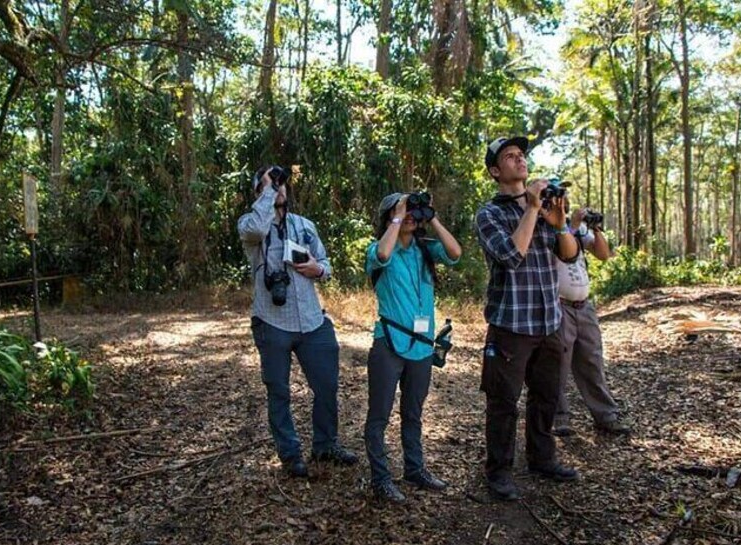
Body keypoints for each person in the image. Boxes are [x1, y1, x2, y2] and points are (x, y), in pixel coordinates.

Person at [475, 136, 581, 501]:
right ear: (495, 171)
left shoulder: (546, 208)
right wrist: (532, 210)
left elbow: (568, 255)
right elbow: (510, 255)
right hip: (511, 326)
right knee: (504, 401)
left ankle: (542, 458)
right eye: (510, 156)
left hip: (549, 321)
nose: (519, 160)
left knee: (546, 395)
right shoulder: (489, 214)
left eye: (521, 155)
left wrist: (561, 222)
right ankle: (499, 472)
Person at [238, 165, 358, 478]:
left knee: (327, 386)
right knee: (279, 391)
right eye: (269, 185)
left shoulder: (305, 226)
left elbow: (327, 265)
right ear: (259, 192)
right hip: (271, 321)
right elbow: (253, 230)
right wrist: (266, 191)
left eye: (281, 184)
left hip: (312, 320)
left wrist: (318, 269)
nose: (279, 189)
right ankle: (290, 455)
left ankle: (325, 444)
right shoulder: (252, 226)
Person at [364, 191, 462, 504]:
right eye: (399, 209)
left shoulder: (425, 250)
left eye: (410, 210)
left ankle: (414, 469)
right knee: (379, 415)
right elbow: (382, 255)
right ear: (387, 216)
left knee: (413, 413)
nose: (407, 214)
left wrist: (431, 217)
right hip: (389, 344)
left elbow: (455, 253)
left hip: (421, 347)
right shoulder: (379, 249)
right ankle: (380, 478)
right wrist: (398, 215)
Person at [553, 207, 631, 437]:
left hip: (584, 306)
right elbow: (565, 251)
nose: (563, 201)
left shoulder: (577, 227)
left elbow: (604, 255)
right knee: (558, 363)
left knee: (592, 359)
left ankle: (605, 416)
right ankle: (559, 419)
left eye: (565, 197)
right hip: (560, 305)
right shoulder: (548, 227)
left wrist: (595, 229)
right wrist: (574, 226)